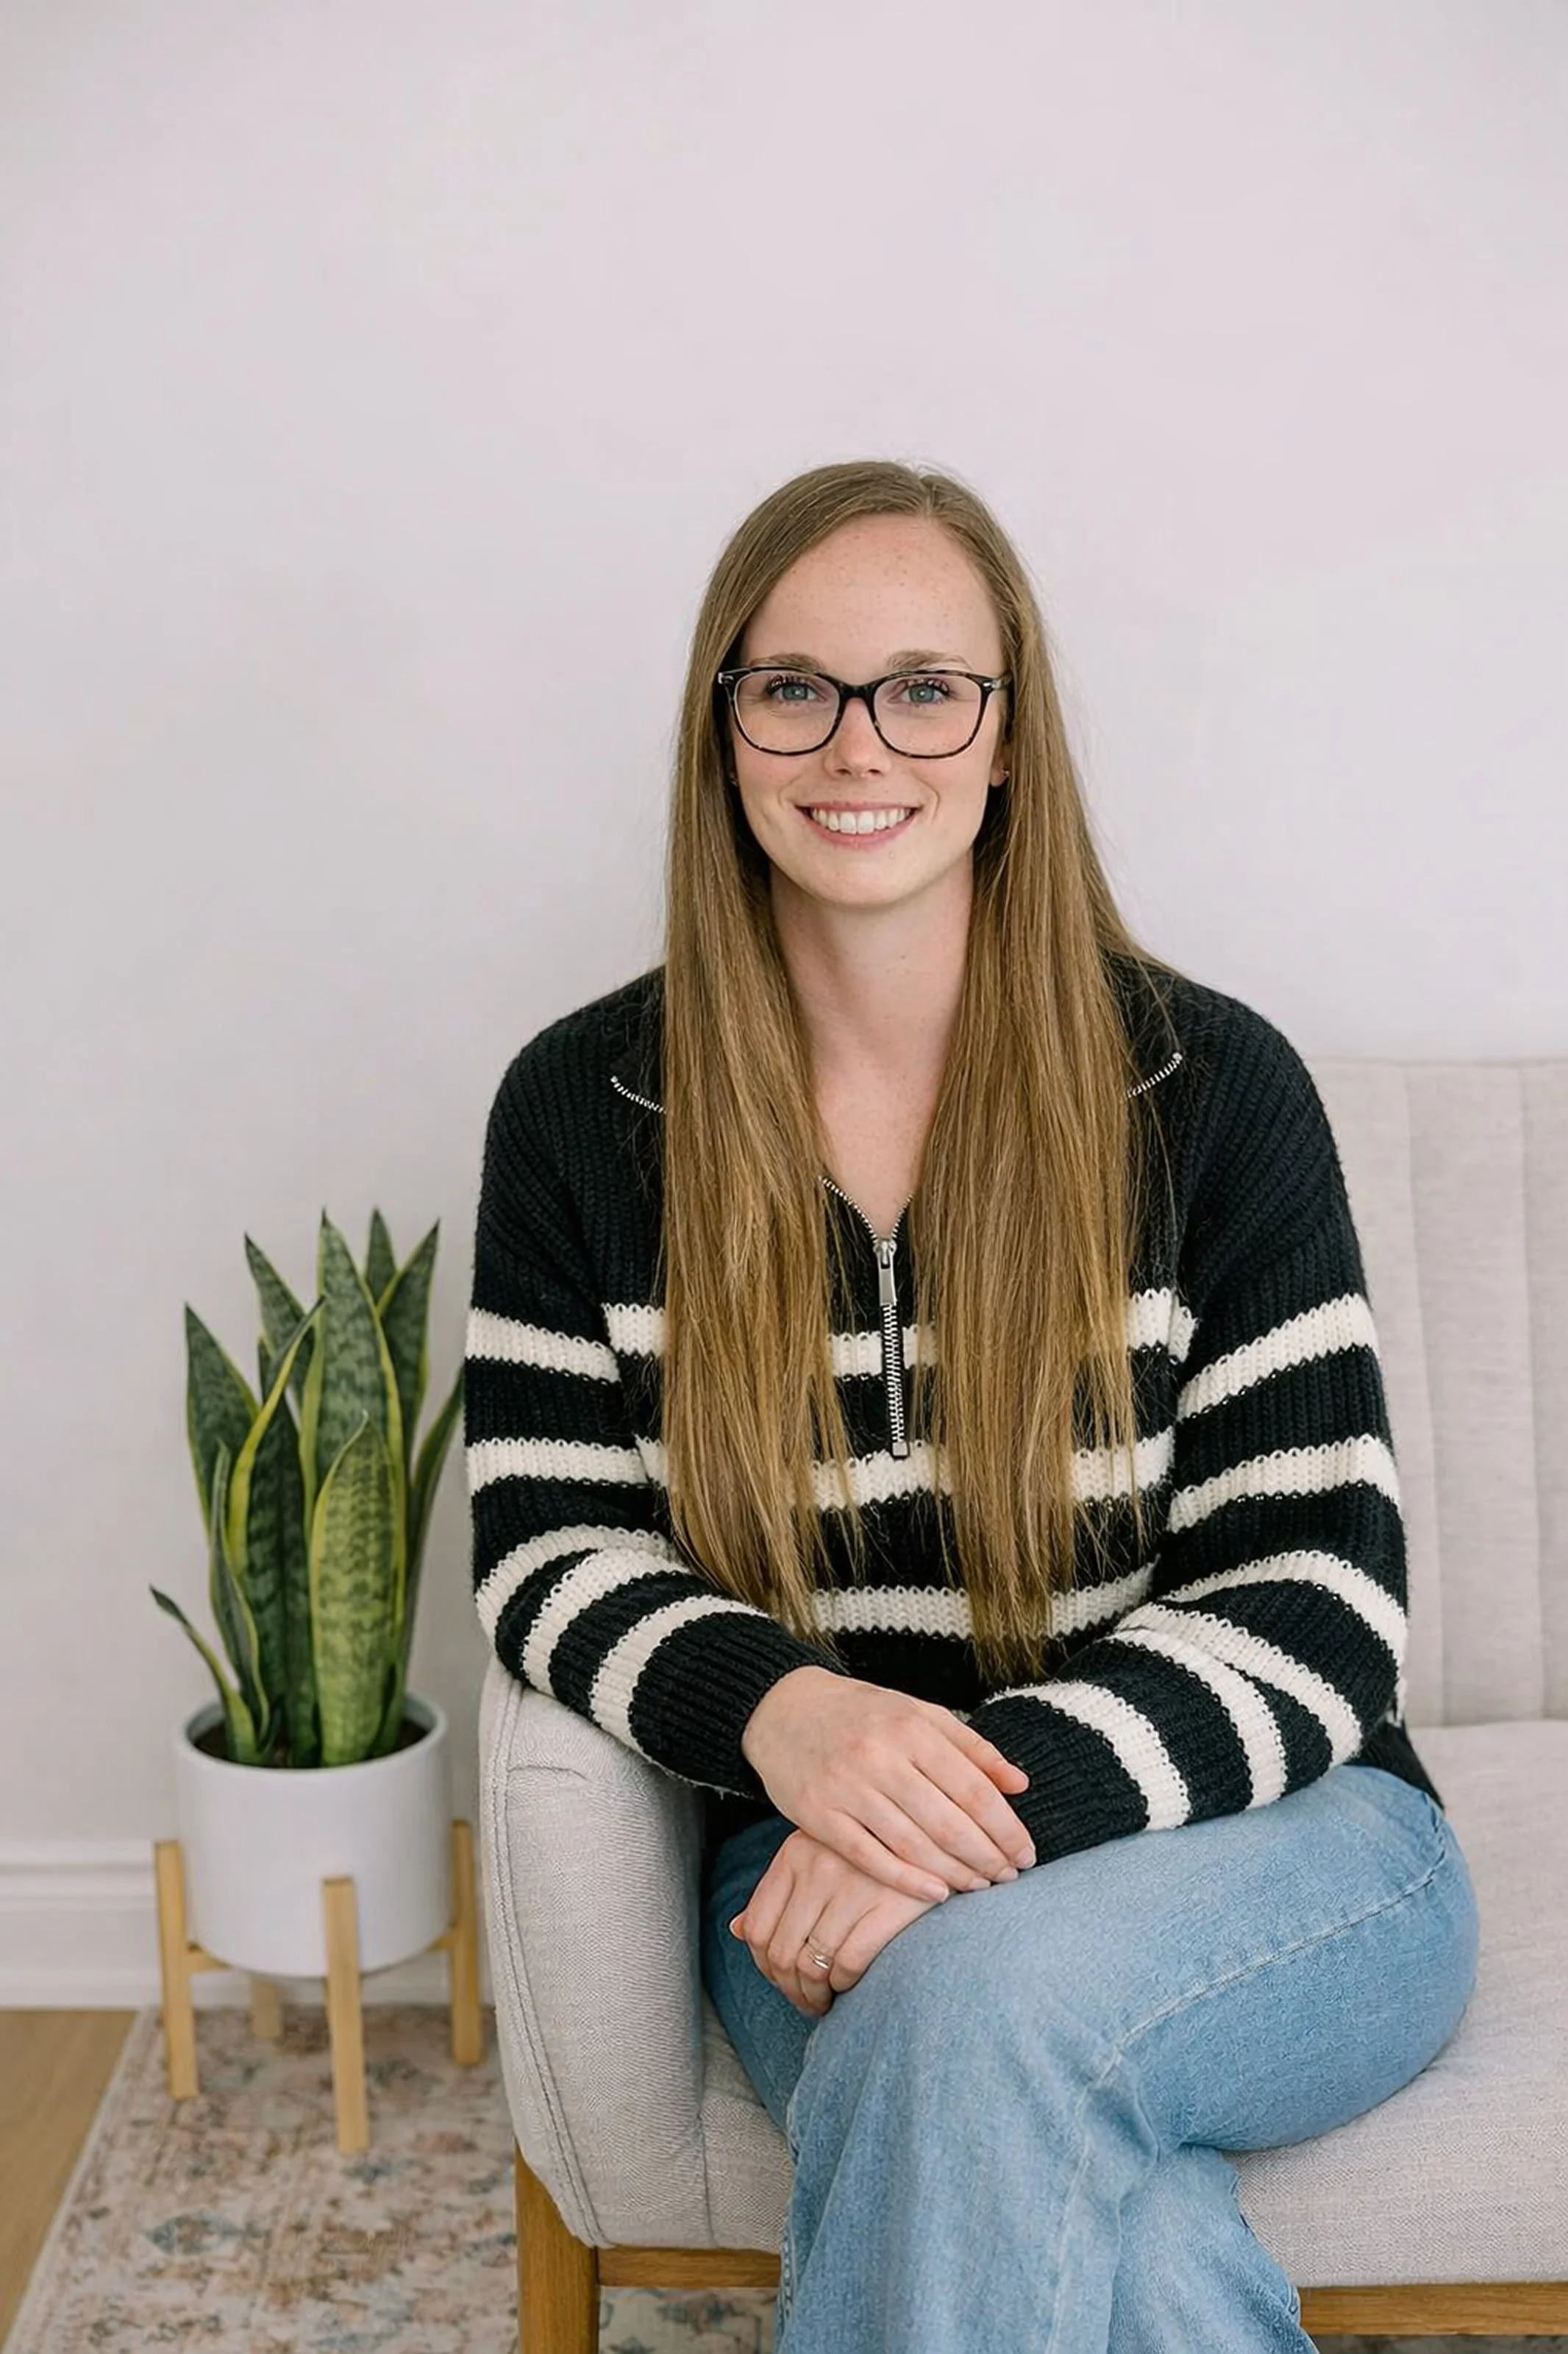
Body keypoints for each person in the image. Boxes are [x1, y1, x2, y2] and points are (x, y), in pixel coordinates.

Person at [464, 458, 1480, 2352]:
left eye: (928, 687)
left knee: (967, 2006)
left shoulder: (1205, 1088)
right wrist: (793, 1716)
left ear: (1008, 737)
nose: (862, 744)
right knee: (1131, 2240)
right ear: (726, 727)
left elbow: (1317, 1604)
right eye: (796, 687)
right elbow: (545, 1547)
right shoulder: (586, 1112)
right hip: (809, 1869)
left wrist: (942, 1808)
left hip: (1283, 1841)